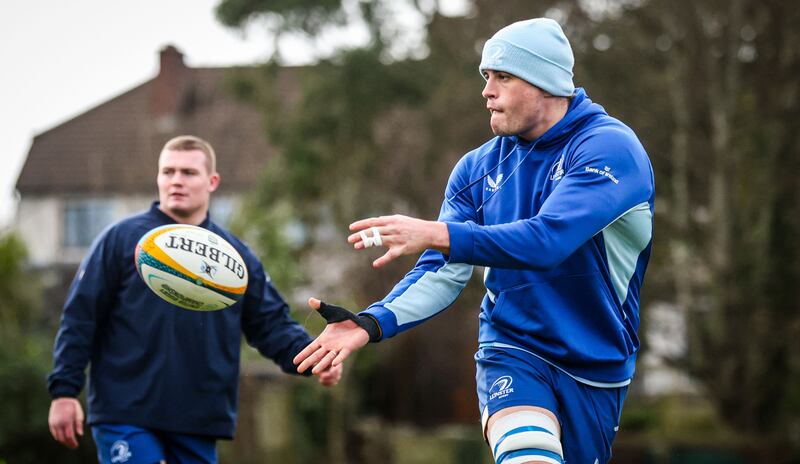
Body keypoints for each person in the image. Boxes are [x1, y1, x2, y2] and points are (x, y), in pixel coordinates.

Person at [294, 18, 654, 464]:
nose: (487, 91)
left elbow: (548, 240)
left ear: (545, 82)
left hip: (596, 366)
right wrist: (369, 323)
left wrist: (435, 232)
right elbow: (442, 273)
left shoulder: (607, 149)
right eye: (486, 77)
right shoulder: (475, 170)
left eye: (502, 77)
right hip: (511, 349)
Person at [47, 135, 342, 464]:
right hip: (125, 412)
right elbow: (80, 317)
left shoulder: (235, 258)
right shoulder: (122, 239)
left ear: (212, 181)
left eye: (188, 173)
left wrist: (318, 358)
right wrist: (64, 390)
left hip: (198, 419)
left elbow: (272, 326)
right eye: (167, 172)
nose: (176, 181)